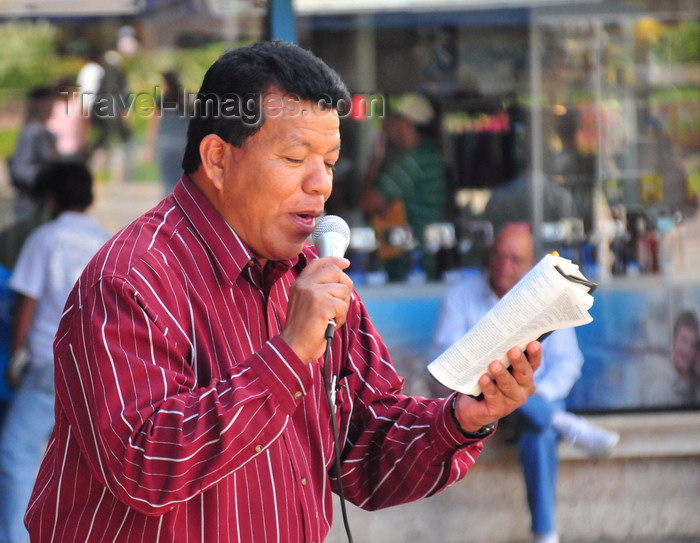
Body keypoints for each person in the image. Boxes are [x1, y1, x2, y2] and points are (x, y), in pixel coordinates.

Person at [24, 41, 542, 543]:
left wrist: (461, 418)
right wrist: (290, 353)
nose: (321, 185)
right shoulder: (132, 279)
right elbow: (145, 467)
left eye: (331, 161)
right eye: (296, 158)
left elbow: (364, 450)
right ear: (218, 159)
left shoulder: (312, 275)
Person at [432, 222, 619, 543]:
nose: (505, 266)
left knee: (540, 433)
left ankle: (545, 534)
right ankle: (565, 424)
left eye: (515, 260)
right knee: (506, 391)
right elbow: (446, 358)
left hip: (535, 408)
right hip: (480, 406)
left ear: (531, 264)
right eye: (499, 257)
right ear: (489, 257)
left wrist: (536, 395)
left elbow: (568, 363)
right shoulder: (461, 296)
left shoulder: (550, 299)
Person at [0, 161, 110, 543]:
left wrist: (16, 357)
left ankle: (15, 536)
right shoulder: (108, 241)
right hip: (96, 371)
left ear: (51, 198)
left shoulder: (44, 238)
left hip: (49, 363)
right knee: (74, 464)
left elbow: (26, 302)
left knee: (16, 454)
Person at [359, 92, 448, 281]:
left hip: (412, 264)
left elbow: (367, 202)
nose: (385, 126)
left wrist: (375, 160)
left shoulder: (414, 161)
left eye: (390, 119)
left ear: (406, 123)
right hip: (425, 260)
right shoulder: (430, 153)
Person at [6, 86, 57, 221]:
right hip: (30, 203)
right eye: (50, 102)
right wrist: (44, 175)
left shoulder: (42, 132)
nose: (53, 106)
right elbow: (20, 168)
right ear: (40, 104)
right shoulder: (33, 132)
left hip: (38, 202)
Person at [144, 70, 190, 195]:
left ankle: (167, 210)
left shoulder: (162, 100)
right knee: (181, 180)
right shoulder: (185, 99)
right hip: (182, 144)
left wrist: (149, 147)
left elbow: (154, 124)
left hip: (165, 144)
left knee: (167, 181)